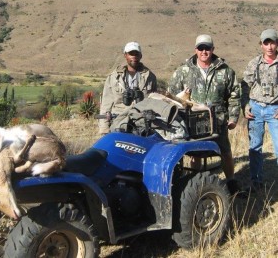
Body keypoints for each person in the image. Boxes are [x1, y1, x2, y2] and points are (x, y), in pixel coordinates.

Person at [168, 34, 241, 195]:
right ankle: (196, 184)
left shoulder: (225, 71)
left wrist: (233, 118)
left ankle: (231, 182)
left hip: (219, 121)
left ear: (212, 49)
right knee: (196, 155)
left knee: (225, 152)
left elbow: (235, 95)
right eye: (200, 48)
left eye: (207, 48)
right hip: (192, 122)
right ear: (195, 50)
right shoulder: (183, 71)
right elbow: (172, 96)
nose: (204, 51)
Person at [241, 28, 278, 192]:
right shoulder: (254, 63)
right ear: (261, 45)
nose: (270, 47)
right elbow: (243, 86)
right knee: (255, 148)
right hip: (255, 109)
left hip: (275, 110)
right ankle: (256, 182)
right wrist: (245, 105)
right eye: (266, 43)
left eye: (273, 42)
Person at [99, 41, 157, 134]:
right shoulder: (114, 77)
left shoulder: (150, 77)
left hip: (142, 123)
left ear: (140, 56)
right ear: (125, 55)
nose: (134, 56)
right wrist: (104, 129)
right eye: (131, 54)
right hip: (118, 123)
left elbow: (154, 101)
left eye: (136, 54)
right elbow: (106, 104)